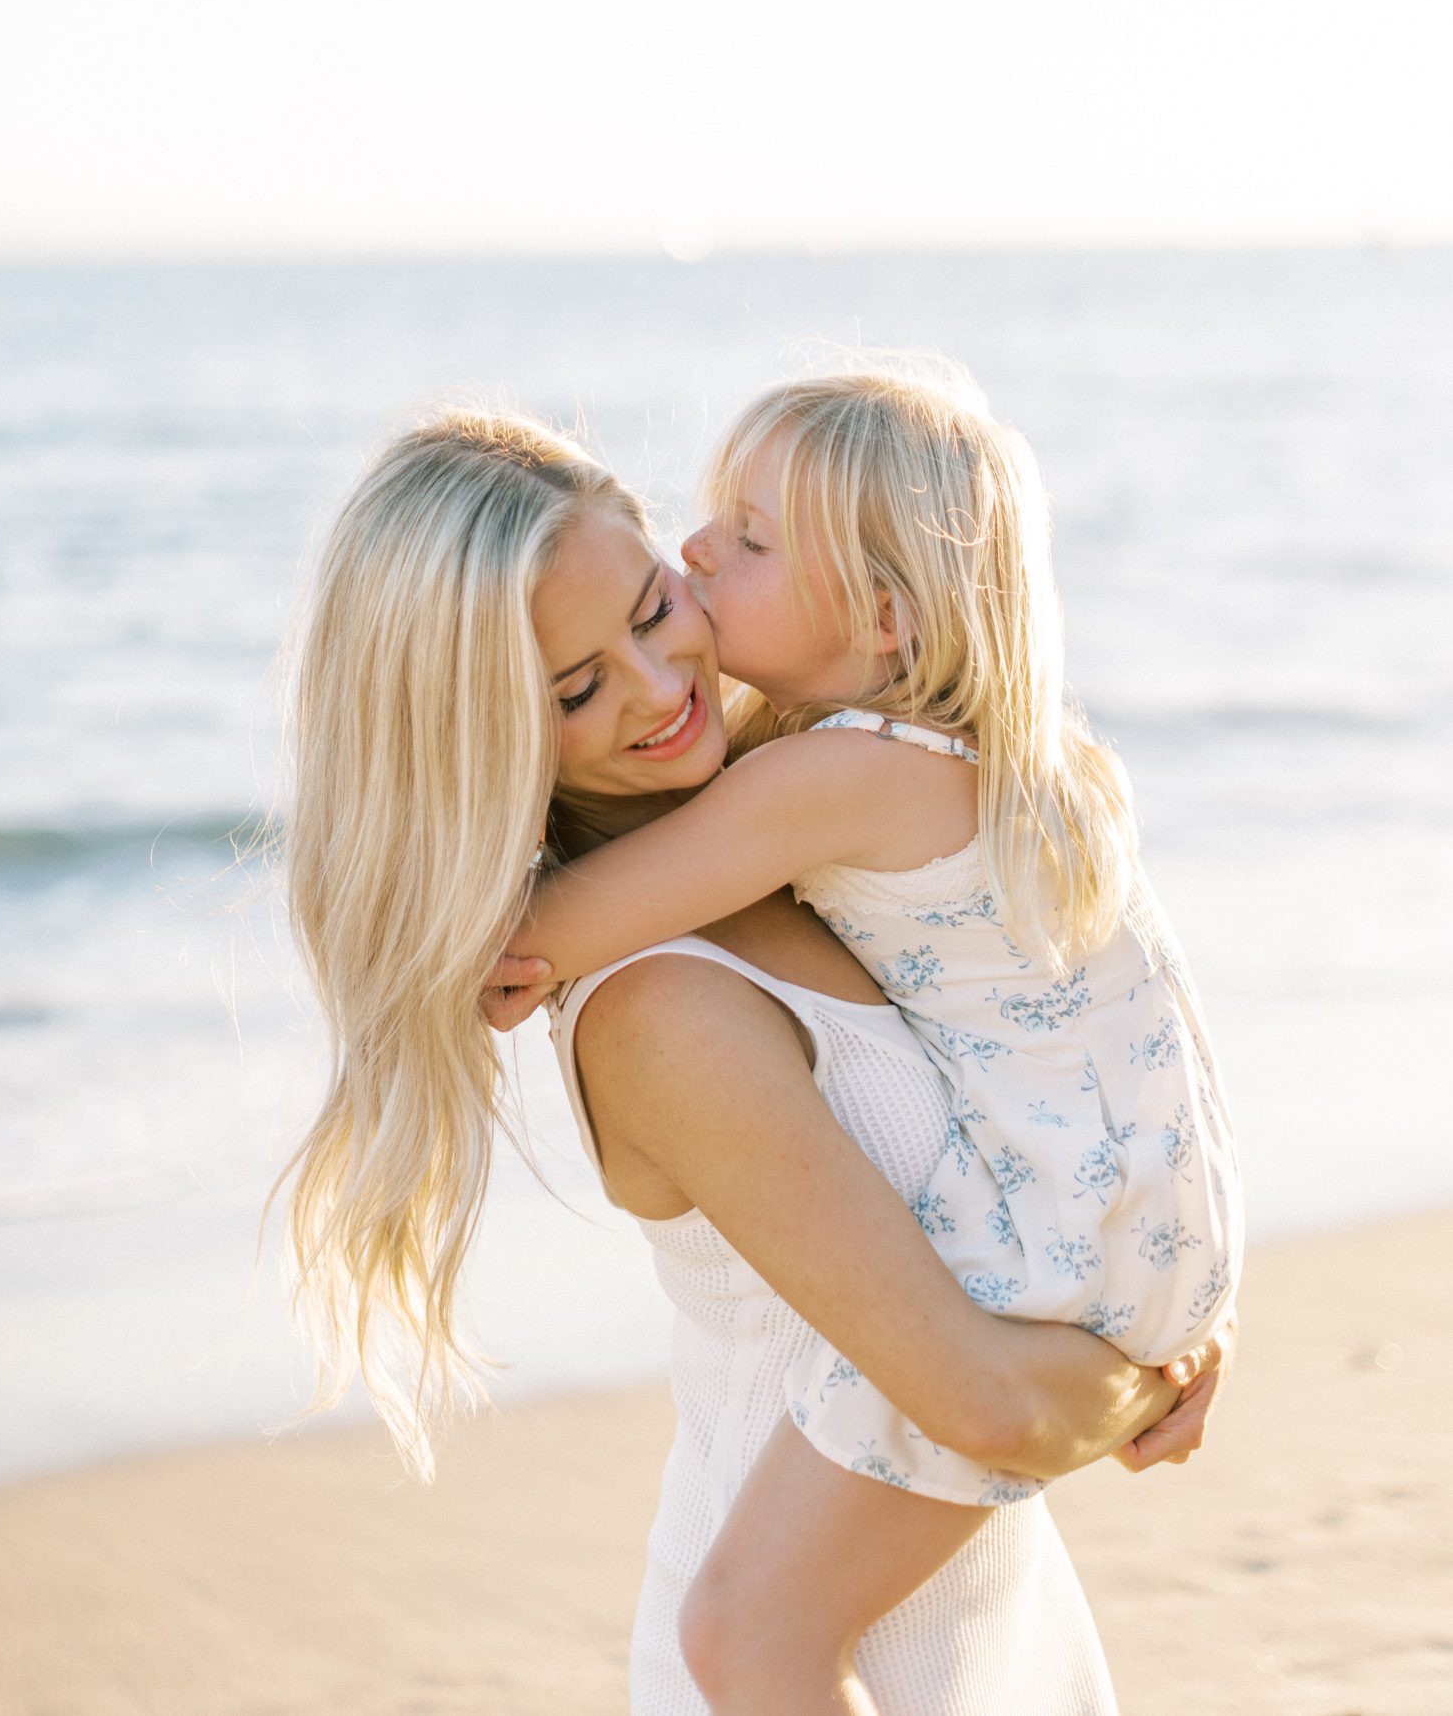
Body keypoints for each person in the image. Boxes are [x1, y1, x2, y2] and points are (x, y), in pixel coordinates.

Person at [282, 403, 1228, 1715]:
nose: (662, 687)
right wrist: (1146, 1373)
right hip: (809, 1661)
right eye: (576, 688)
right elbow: (990, 1404)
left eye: (656, 609)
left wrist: (1151, 1303)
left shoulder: (812, 825)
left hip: (950, 1604)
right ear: (479, 737)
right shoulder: (659, 1005)